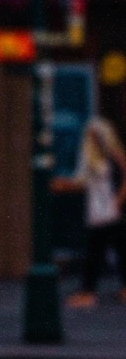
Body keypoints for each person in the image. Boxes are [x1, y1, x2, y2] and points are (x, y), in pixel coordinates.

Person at [52, 116, 126, 307]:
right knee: (105, 249)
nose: (94, 138)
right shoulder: (88, 156)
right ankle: (89, 291)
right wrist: (63, 184)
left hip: (111, 210)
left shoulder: (114, 154)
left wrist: (118, 200)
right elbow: (81, 182)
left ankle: (89, 291)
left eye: (97, 135)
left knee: (102, 249)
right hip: (97, 210)